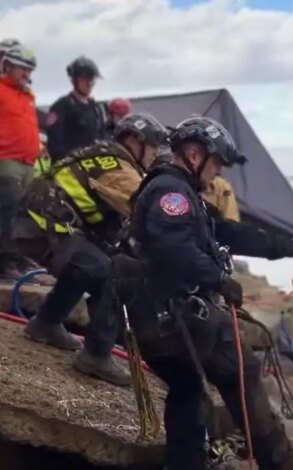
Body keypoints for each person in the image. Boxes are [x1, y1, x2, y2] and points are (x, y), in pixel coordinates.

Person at [128, 116, 293, 470]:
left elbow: (232, 233)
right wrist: (219, 281)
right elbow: (174, 247)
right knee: (234, 368)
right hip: (168, 317)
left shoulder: (187, 194)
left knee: (192, 388)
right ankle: (277, 459)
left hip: (163, 313)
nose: (218, 171)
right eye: (217, 161)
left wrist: (292, 246)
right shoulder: (170, 193)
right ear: (193, 155)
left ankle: (208, 462)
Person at [15, 113, 170, 386]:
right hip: (46, 229)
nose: (155, 154)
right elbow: (147, 212)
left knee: (96, 262)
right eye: (154, 147)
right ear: (134, 141)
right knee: (113, 272)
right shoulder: (119, 169)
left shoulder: (104, 157)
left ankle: (46, 323)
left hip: (36, 226)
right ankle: (96, 354)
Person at [0, 43, 40, 279]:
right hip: (6, 160)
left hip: (28, 163)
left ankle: (16, 257)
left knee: (22, 212)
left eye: (29, 70)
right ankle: (6, 262)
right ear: (8, 66)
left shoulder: (28, 95)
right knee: (8, 211)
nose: (26, 74)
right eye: (22, 68)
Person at [45, 56, 105, 162]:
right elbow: (55, 142)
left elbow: (101, 136)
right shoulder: (62, 106)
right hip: (69, 166)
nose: (89, 84)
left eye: (91, 80)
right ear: (74, 80)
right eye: (85, 79)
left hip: (92, 165)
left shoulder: (95, 107)